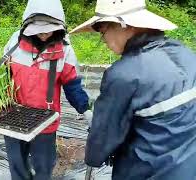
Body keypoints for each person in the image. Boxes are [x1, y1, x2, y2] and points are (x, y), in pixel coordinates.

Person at [70, 0, 196, 179]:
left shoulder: (124, 74)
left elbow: (100, 145)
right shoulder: (185, 53)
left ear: (125, 26)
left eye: (103, 31)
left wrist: (93, 151)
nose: (103, 39)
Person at [3, 0, 91, 179]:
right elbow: (1, 75)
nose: (43, 35)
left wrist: (86, 109)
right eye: (38, 30)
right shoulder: (15, 42)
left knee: (43, 168)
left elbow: (72, 85)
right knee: (17, 166)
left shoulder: (65, 49)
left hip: (45, 120)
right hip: (14, 115)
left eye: (48, 30)